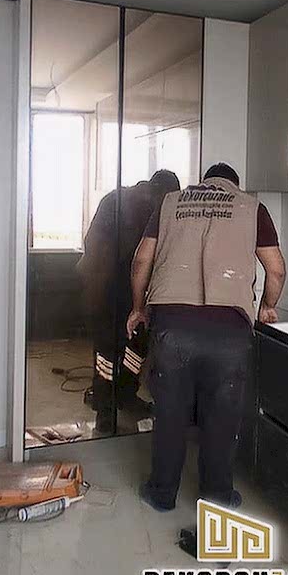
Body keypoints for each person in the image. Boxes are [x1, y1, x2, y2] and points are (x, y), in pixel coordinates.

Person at [127, 162, 286, 511]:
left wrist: (138, 308)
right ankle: (216, 499)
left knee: (170, 412)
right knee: (221, 417)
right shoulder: (251, 208)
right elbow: (276, 270)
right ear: (234, 186)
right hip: (228, 330)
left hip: (172, 326)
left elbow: (141, 261)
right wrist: (267, 306)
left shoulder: (170, 203)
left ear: (204, 181)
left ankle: (162, 493)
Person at [77, 169, 180, 434]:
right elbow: (147, 257)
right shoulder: (152, 207)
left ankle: (120, 397)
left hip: (107, 286)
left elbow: (90, 242)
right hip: (110, 287)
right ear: (166, 193)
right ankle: (107, 407)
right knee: (113, 348)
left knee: (125, 346)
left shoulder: (118, 198)